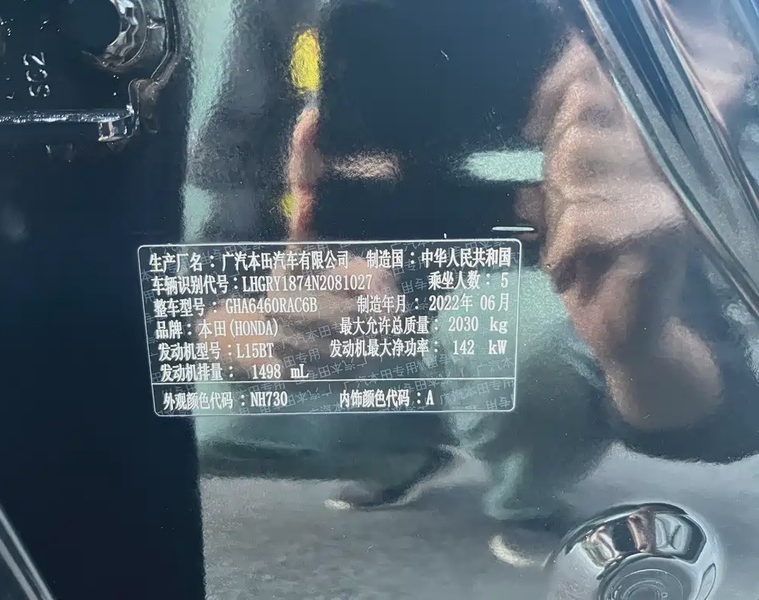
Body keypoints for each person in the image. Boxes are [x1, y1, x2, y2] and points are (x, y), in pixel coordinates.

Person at [196, 0, 759, 567]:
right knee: (232, 413)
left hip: (523, 281)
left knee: (522, 340)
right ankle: (393, 448)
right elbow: (234, 195)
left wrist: (639, 344)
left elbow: (727, 401)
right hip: (368, 282)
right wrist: (249, 325)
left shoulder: (606, 28)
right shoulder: (284, 18)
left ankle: (527, 499)